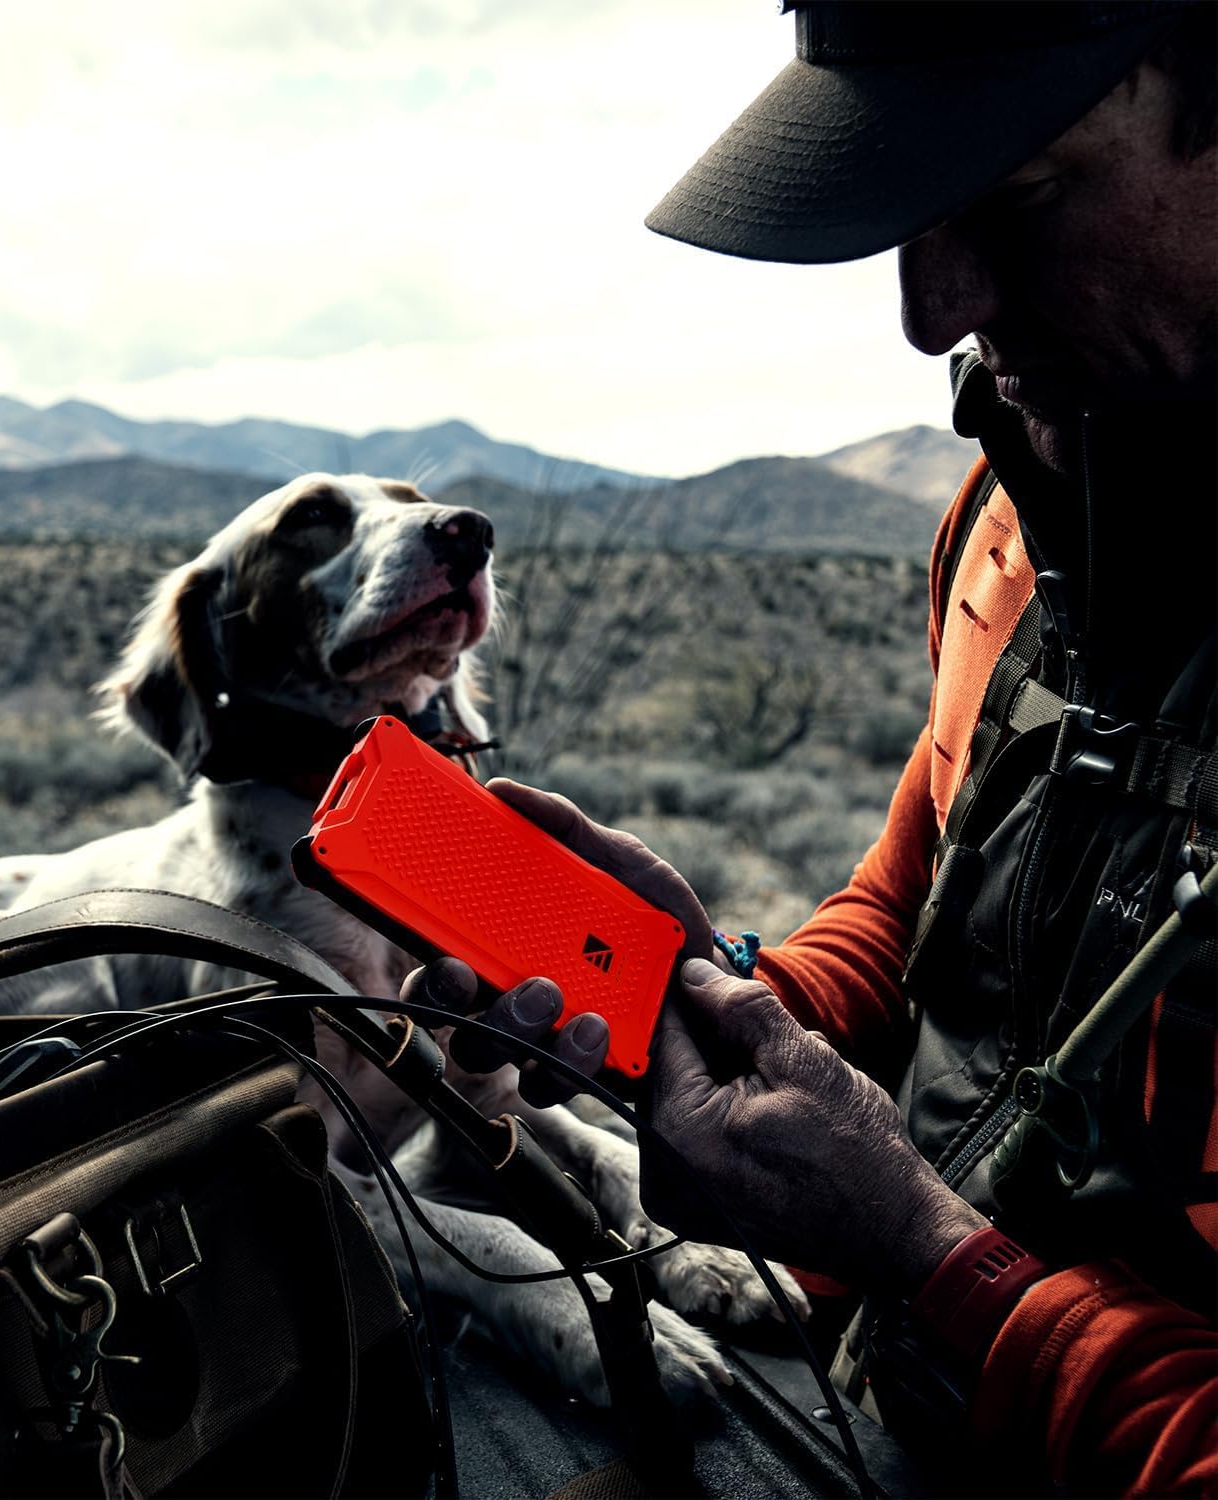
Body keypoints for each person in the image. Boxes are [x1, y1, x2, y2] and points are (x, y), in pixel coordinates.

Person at [405, 3, 1218, 1493]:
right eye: (910, 208)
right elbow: (920, 921)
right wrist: (711, 991)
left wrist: (928, 1251)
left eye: (1018, 194)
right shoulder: (1020, 518)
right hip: (884, 1381)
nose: (931, 309)